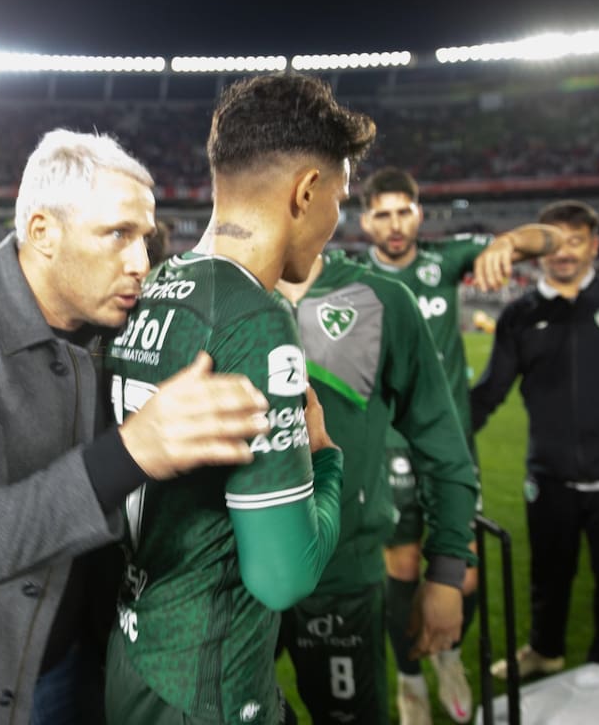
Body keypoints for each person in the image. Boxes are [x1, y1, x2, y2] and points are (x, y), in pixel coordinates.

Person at [0, 129, 273, 725]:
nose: (140, 263)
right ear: (43, 233)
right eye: (117, 234)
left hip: (76, 666)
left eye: (145, 239)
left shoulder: (117, 334)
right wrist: (134, 450)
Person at [103, 73, 374, 725]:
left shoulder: (154, 288)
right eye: (339, 198)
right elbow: (283, 576)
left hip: (134, 657)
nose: (336, 221)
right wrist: (326, 459)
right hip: (208, 687)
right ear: (306, 191)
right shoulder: (254, 318)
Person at [356, 168, 560, 724]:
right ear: (365, 221)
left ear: (419, 213)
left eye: (404, 211)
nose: (395, 224)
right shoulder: (352, 277)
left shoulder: (444, 261)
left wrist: (506, 243)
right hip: (389, 444)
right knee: (401, 569)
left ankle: (447, 656)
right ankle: (409, 679)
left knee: (462, 572)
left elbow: (549, 239)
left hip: (449, 444)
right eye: (382, 214)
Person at [470, 199, 599, 679]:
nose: (564, 252)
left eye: (576, 241)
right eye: (555, 241)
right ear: (540, 247)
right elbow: (489, 393)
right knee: (548, 577)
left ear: (594, 246)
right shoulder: (520, 315)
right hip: (550, 478)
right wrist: (436, 439)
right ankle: (545, 651)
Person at [275, 251, 478, 724]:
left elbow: (441, 441)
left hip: (342, 579)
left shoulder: (382, 299)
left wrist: (447, 571)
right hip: (227, 580)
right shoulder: (213, 292)